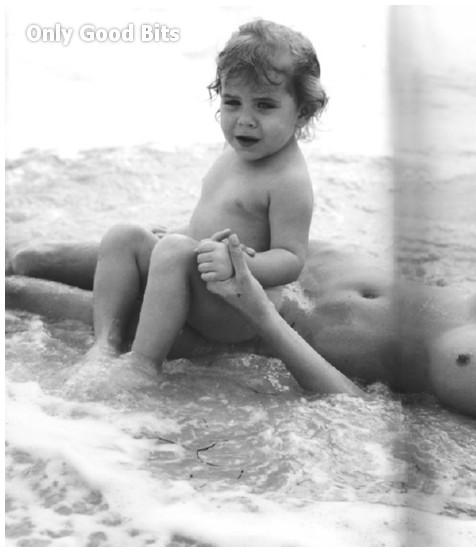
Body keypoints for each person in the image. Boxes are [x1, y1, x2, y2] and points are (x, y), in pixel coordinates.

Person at [6, 195, 476, 481]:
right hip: (289, 262)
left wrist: (260, 313)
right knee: (32, 253)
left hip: (250, 314)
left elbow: (372, 418)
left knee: (18, 290)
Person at [83, 19, 327, 376]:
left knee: (172, 250)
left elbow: (291, 258)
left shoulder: (288, 180)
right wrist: (182, 233)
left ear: (302, 112)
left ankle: (143, 364)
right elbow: (215, 215)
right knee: (124, 236)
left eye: (264, 105)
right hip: (197, 275)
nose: (244, 120)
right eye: (232, 102)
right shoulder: (236, 152)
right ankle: (105, 342)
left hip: (233, 305)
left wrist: (238, 265)